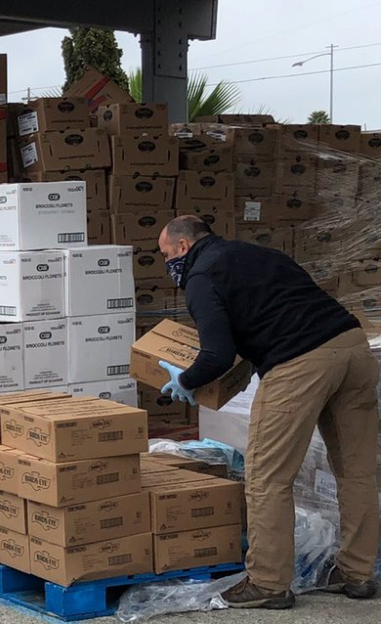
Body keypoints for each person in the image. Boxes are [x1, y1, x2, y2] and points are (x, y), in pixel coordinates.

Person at [157, 215, 379, 609]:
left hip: (299, 363)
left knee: (266, 477)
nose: (167, 264)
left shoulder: (201, 277)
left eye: (165, 255)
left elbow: (216, 354)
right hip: (352, 348)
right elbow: (273, 312)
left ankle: (268, 583)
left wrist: (187, 380)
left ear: (183, 246)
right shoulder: (258, 254)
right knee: (356, 471)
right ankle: (356, 573)